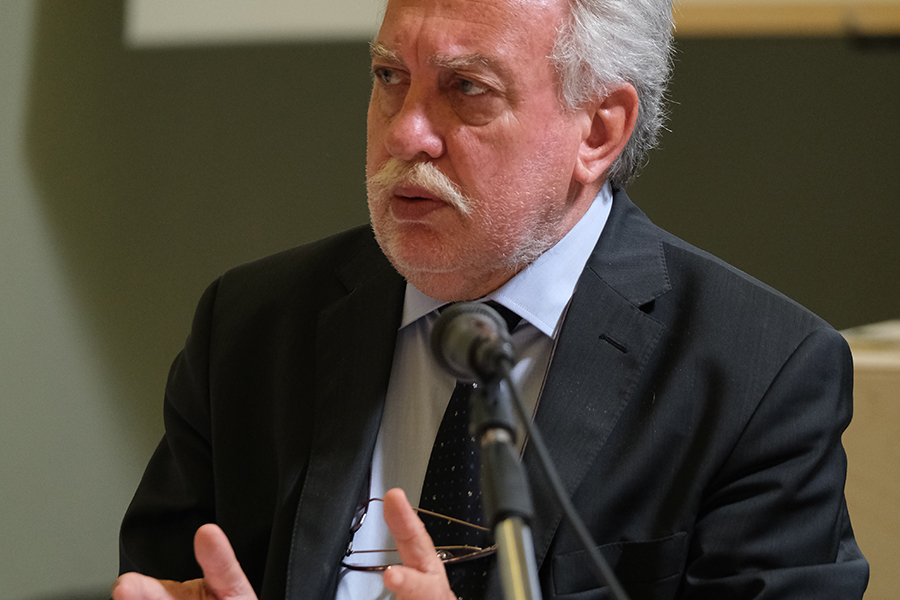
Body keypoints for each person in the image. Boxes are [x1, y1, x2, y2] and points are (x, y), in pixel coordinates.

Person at [113, 0, 869, 597]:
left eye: (465, 88)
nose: (407, 133)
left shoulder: (759, 375)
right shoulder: (251, 327)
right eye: (389, 77)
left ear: (599, 130)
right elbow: (165, 576)